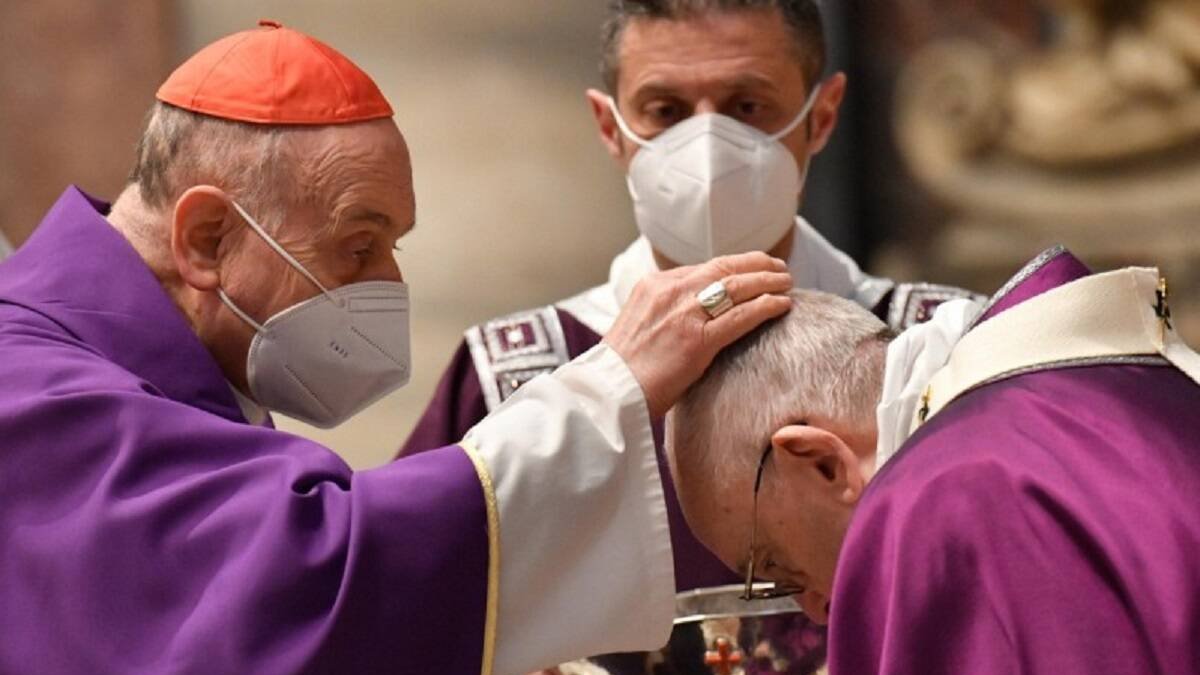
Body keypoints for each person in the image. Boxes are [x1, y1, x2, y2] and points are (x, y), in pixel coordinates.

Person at [0, 21, 796, 675]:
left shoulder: (133, 371)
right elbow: (305, 578)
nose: (386, 284)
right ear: (208, 239)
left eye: (396, 250)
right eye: (358, 246)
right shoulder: (33, 389)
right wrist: (605, 389)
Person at [401, 1, 978, 670]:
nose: (706, 146)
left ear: (822, 116)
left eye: (748, 106)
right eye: (665, 111)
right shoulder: (513, 378)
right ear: (609, 126)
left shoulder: (945, 349)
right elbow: (400, 612)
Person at [667, 246, 1200, 673]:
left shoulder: (946, 500)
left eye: (778, 568)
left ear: (820, 461)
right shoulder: (1107, 396)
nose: (813, 610)